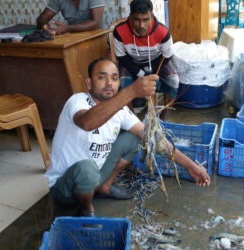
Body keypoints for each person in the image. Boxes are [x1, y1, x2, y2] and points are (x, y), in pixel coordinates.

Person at [45, 57, 210, 216]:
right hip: (65, 188)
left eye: (115, 78)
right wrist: (131, 91)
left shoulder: (121, 111)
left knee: (136, 138)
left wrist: (189, 165)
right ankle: (86, 209)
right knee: (87, 169)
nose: (109, 83)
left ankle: (105, 186)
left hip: (96, 178)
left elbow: (153, 138)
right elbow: (87, 122)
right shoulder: (77, 101)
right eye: (101, 77)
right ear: (89, 83)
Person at [112, 0, 179, 120]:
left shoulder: (163, 32)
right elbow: (121, 57)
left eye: (146, 19)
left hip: (156, 62)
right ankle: (133, 121)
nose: (141, 25)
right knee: (121, 84)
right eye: (137, 19)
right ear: (130, 17)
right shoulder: (119, 31)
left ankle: (163, 119)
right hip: (130, 63)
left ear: (152, 17)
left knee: (174, 81)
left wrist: (152, 73)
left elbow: (167, 56)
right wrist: (140, 73)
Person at [36, 0, 105, 35]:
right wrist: (44, 25)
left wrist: (67, 28)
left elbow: (96, 22)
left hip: (96, 38)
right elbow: (42, 19)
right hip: (73, 39)